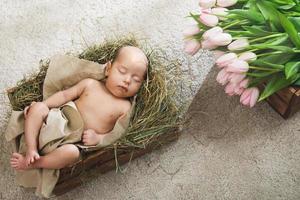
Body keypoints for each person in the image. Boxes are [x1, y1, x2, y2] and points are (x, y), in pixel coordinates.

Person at [10, 46, 148, 170]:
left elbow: (118, 133)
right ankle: (31, 149)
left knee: (72, 153)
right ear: (108, 69)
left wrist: (99, 138)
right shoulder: (91, 84)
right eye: (122, 71)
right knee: (39, 108)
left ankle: (36, 163)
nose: (127, 80)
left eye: (136, 80)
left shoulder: (125, 107)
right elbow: (64, 95)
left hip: (72, 142)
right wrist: (45, 105)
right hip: (56, 120)